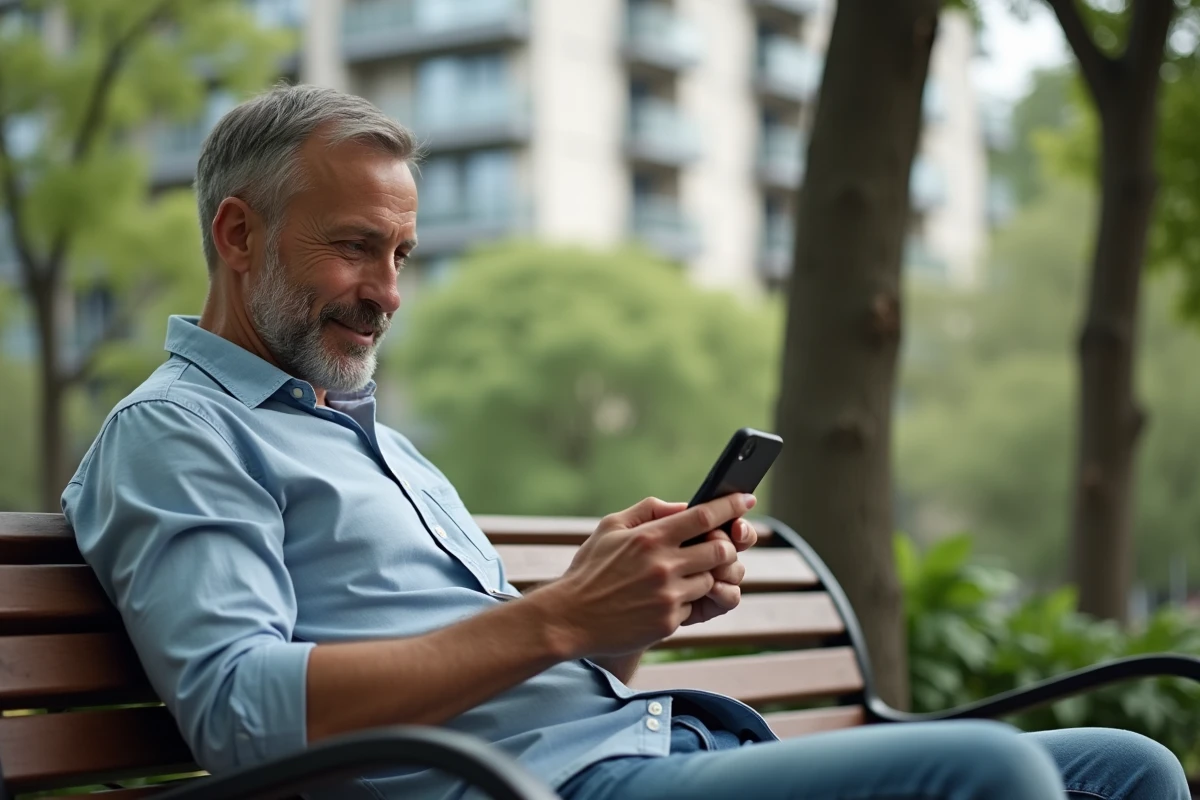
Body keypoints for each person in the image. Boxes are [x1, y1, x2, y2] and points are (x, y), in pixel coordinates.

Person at [61, 84, 1189, 800]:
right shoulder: (176, 432)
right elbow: (242, 713)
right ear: (238, 232)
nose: (388, 292)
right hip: (532, 789)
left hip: (629, 751)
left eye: (401, 254)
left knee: (1125, 767)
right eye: (356, 247)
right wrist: (560, 613)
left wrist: (622, 619)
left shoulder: (377, 444)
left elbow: (519, 678)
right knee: (988, 771)